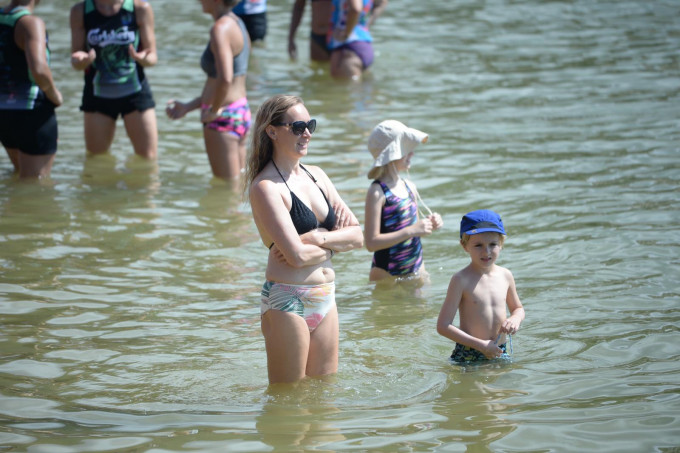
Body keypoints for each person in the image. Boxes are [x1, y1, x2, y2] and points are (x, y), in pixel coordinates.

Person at [245, 94, 363, 384]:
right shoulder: (266, 187)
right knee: (288, 400)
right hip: (288, 298)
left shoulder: (317, 176)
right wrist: (335, 242)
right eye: (298, 126)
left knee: (324, 395)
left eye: (309, 124)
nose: (307, 133)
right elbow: (296, 257)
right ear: (272, 131)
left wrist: (317, 238)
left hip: (325, 297)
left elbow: (359, 236)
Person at [166, 0, 251, 181]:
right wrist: (189, 106)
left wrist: (213, 111)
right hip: (241, 111)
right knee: (240, 185)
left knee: (226, 191)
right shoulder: (238, 23)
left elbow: (225, 79)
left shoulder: (219, 29)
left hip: (222, 117)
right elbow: (233, 78)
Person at [70, 0, 158, 160]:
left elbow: (152, 56)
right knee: (96, 161)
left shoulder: (140, 8)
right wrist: (81, 61)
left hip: (135, 92)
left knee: (148, 160)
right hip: (97, 94)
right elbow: (76, 58)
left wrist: (143, 58)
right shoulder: (80, 11)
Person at [436, 210, 526, 363]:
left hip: (499, 349)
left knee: (504, 386)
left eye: (493, 244)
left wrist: (515, 319)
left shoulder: (506, 275)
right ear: (465, 246)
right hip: (469, 352)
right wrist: (482, 345)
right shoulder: (461, 279)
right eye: (478, 245)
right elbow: (443, 326)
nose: (487, 251)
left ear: (501, 244)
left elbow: (518, 308)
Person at [363, 120, 443, 284]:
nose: (412, 153)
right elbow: (371, 243)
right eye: (406, 150)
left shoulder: (409, 187)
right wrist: (412, 230)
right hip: (387, 275)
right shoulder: (377, 191)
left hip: (417, 268)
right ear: (393, 154)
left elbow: (415, 227)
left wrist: (431, 223)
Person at [0, 0, 62, 179]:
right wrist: (55, 95)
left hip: (4, 114)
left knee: (19, 175)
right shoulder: (30, 23)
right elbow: (39, 70)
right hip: (32, 113)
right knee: (36, 187)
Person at [327, 0, 387, 79]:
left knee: (343, 90)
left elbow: (355, 9)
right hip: (363, 43)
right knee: (361, 89)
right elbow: (382, 2)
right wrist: (367, 25)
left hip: (347, 48)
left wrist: (346, 34)